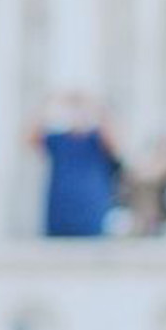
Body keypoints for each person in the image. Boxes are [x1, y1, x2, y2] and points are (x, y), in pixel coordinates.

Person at [31, 90, 125, 240]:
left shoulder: (97, 140)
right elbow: (31, 138)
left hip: (91, 216)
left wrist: (97, 105)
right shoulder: (57, 140)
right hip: (59, 216)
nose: (78, 115)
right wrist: (48, 102)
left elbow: (116, 144)